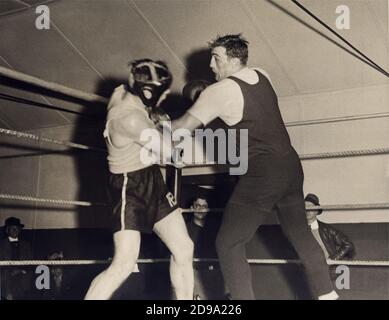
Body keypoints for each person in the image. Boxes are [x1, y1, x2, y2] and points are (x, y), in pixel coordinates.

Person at [172, 34, 338, 300]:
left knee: (228, 242)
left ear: (233, 58)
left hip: (264, 173)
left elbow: (180, 128)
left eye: (216, 58)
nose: (211, 66)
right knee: (301, 235)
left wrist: (150, 124)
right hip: (291, 166)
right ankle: (329, 296)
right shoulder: (263, 74)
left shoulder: (219, 91)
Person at [84, 59, 194, 300]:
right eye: (163, 93)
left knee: (184, 249)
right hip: (128, 186)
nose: (165, 96)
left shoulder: (120, 92)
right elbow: (175, 156)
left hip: (152, 179)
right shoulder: (130, 120)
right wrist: (187, 120)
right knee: (123, 264)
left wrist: (155, 115)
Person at [305, 193, 355, 261]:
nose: (307, 210)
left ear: (317, 211)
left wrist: (333, 259)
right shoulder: (297, 230)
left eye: (311, 207)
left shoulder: (327, 229)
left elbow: (348, 245)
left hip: (325, 267)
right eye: (305, 207)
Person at [0, 217, 32, 300]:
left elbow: (31, 264)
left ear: (20, 230)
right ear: (7, 230)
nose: (15, 230)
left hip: (22, 284)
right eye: (12, 228)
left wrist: (21, 270)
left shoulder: (26, 245)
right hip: (6, 283)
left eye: (17, 228)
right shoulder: (1, 245)